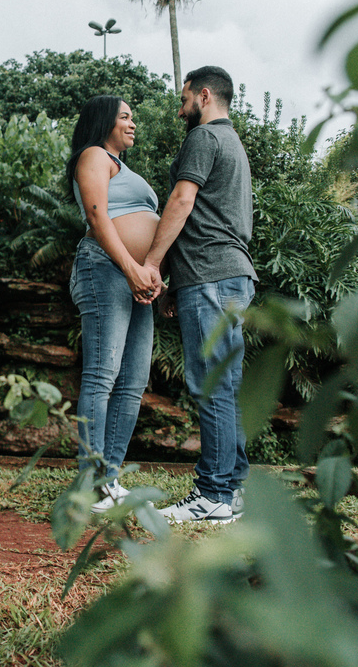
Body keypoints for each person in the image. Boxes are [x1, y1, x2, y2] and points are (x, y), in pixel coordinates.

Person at [143, 66, 258, 524]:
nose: (180, 108)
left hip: (211, 277)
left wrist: (151, 264)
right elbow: (207, 219)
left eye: (184, 97)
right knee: (224, 385)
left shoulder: (204, 138)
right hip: (226, 277)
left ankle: (212, 494)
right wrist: (177, 280)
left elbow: (182, 203)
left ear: (204, 96)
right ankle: (232, 489)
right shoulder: (234, 145)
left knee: (211, 384)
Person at [66, 95, 162, 513]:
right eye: (125, 116)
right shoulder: (93, 156)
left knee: (134, 380)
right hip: (106, 268)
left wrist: (155, 277)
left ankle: (111, 479)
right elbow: (98, 217)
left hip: (136, 279)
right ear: (104, 121)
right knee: (103, 374)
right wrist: (130, 267)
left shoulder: (125, 167)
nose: (132, 123)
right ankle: (92, 481)